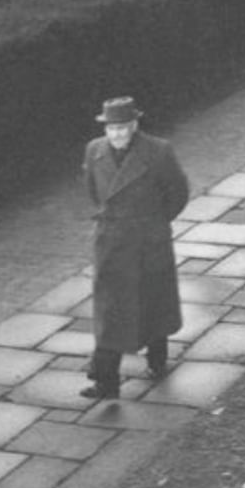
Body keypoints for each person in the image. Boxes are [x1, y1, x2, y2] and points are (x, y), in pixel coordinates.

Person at [80, 97, 190, 401]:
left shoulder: (158, 152)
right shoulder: (94, 150)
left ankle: (157, 359)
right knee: (110, 311)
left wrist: (154, 223)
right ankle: (106, 380)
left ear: (135, 125)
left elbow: (178, 193)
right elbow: (93, 191)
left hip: (148, 241)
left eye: (123, 127)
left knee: (153, 302)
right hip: (111, 242)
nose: (117, 134)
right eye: (112, 128)